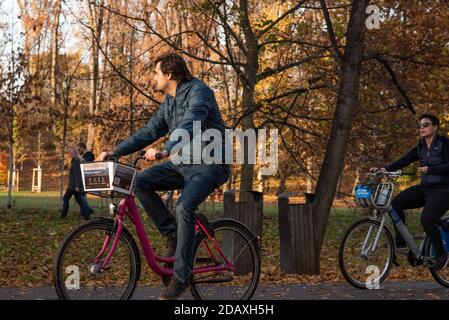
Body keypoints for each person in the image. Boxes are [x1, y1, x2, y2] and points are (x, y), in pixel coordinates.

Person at [99, 53, 230, 300]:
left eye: (156, 73)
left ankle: (181, 277)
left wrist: (167, 149)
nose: (154, 78)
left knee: (183, 208)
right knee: (139, 182)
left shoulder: (199, 92)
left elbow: (192, 121)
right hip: (183, 164)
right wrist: (116, 151)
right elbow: (148, 131)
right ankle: (173, 233)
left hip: (211, 164)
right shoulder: (169, 102)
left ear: (169, 74)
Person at [372, 114, 449, 271]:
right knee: (395, 204)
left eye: (426, 124)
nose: (422, 127)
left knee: (427, 219)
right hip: (425, 188)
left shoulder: (444, 143)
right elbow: (404, 160)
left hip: (443, 190)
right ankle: (401, 241)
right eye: (420, 125)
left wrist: (430, 169)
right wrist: (384, 168)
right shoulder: (421, 145)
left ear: (435, 127)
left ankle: (441, 254)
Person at [61, 143, 95, 220]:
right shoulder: (76, 160)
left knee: (65, 199)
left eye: (70, 153)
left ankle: (63, 215)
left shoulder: (76, 161)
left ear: (73, 153)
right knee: (80, 201)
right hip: (74, 186)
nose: (69, 154)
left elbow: (78, 174)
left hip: (73, 186)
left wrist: (77, 186)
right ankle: (87, 215)